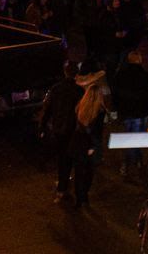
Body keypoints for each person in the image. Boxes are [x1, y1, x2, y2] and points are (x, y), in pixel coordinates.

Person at [58, 65, 108, 210]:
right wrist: (93, 146)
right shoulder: (99, 111)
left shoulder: (80, 107)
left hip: (77, 143)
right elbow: (96, 131)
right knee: (89, 172)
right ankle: (84, 196)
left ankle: (79, 199)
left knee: (79, 172)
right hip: (90, 145)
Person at [110, 48, 148, 176]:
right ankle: (131, 162)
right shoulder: (145, 76)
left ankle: (132, 162)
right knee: (136, 138)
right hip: (141, 113)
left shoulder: (120, 75)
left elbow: (115, 94)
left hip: (126, 112)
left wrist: (118, 108)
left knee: (131, 136)